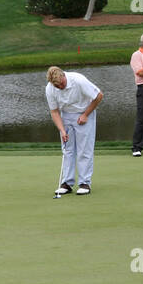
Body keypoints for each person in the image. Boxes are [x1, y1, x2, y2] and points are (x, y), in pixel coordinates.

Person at [45, 66, 103, 196]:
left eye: (61, 84)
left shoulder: (78, 80)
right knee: (67, 149)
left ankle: (84, 183)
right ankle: (66, 183)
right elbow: (54, 111)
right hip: (66, 116)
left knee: (84, 149)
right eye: (57, 86)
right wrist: (62, 130)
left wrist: (85, 114)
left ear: (63, 76)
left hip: (84, 113)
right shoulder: (50, 89)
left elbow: (99, 96)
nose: (60, 87)